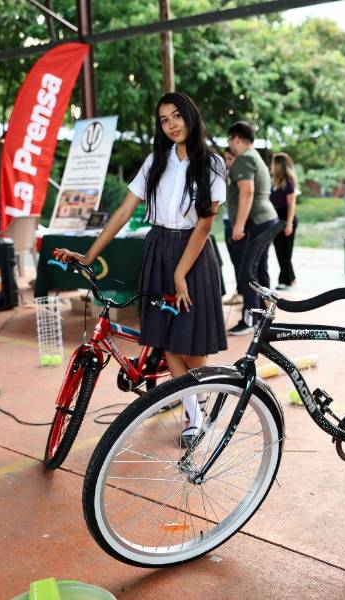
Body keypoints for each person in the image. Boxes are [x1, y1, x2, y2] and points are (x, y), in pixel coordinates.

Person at [54, 92, 228, 447]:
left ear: (191, 116)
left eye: (177, 116)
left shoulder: (211, 164)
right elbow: (122, 212)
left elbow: (204, 225)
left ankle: (203, 403)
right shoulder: (156, 160)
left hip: (191, 256)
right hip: (158, 249)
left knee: (191, 344)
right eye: (164, 120)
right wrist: (88, 256)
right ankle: (193, 417)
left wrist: (180, 273)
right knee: (166, 341)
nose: (172, 124)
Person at [225, 121, 279, 336]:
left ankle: (251, 320)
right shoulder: (256, 157)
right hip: (268, 219)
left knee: (248, 270)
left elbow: (247, 192)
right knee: (260, 268)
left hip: (256, 222)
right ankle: (265, 316)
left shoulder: (244, 159)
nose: (231, 144)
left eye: (230, 140)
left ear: (236, 138)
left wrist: (238, 226)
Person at [269, 152, 299, 289]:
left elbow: (292, 204)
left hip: (286, 217)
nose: (271, 166)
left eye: (273, 163)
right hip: (276, 219)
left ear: (279, 165)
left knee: (285, 252)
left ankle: (286, 280)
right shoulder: (274, 182)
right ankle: (290, 279)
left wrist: (289, 223)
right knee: (279, 251)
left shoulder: (288, 183)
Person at [221, 147, 243, 306]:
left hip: (236, 224)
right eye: (226, 159)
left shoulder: (241, 176)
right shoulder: (229, 176)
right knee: (235, 260)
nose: (227, 163)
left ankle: (243, 294)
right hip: (227, 221)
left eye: (230, 159)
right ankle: (239, 292)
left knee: (241, 261)